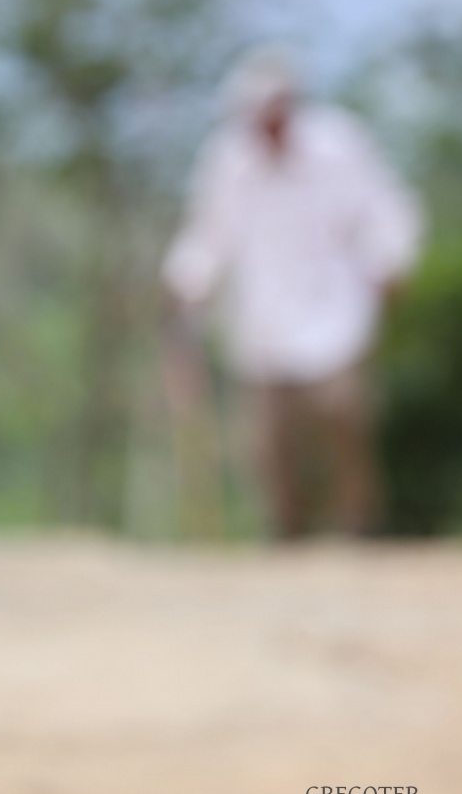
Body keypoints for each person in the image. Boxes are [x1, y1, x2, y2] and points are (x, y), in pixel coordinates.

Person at [163, 46, 423, 539]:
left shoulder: (339, 144)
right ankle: (287, 538)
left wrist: (389, 260)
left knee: (345, 420)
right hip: (262, 325)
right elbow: (209, 234)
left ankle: (359, 526)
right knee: (268, 446)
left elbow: (385, 208)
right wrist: (187, 284)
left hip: (337, 314)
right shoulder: (229, 159)